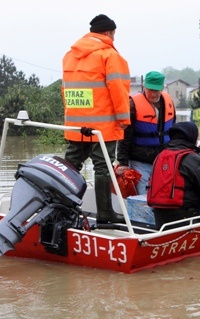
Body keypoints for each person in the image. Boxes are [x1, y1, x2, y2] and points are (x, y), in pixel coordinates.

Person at [62, 14, 131, 224]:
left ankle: (62, 208)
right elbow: (118, 89)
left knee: (71, 164)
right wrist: (124, 119)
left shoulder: (70, 55)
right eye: (114, 34)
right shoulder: (109, 56)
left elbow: (65, 91)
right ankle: (105, 215)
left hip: (76, 125)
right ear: (108, 33)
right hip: (103, 126)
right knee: (103, 167)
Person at [116, 71, 176, 195]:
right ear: (144, 87)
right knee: (143, 196)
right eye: (149, 90)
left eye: (156, 90)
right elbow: (124, 136)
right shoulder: (132, 104)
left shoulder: (169, 102)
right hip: (140, 159)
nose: (153, 94)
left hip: (163, 158)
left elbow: (174, 130)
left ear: (162, 88)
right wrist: (122, 162)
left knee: (163, 193)